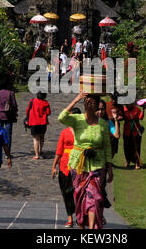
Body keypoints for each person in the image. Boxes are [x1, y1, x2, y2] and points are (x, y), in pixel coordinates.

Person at [58, 92, 113, 229]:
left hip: (97, 164)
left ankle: (92, 226)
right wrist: (76, 99)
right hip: (78, 164)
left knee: (94, 197)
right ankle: (81, 223)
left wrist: (110, 168)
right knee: (80, 196)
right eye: (87, 101)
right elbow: (61, 117)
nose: (89, 104)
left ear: (97, 106)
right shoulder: (77, 119)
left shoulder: (103, 124)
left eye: (93, 102)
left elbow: (107, 147)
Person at [51, 107, 81, 228]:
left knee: (78, 192)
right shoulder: (64, 132)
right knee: (66, 192)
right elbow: (59, 150)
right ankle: (70, 217)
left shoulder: (83, 132)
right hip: (64, 165)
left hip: (80, 164)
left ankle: (80, 216)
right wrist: (54, 166)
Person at [0, 80, 18, 158]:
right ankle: (7, 153)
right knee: (8, 135)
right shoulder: (11, 93)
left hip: (0, 115)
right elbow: (14, 105)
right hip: (9, 116)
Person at [26, 91, 51, 159]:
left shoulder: (32, 101)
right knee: (42, 137)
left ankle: (37, 155)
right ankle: (40, 150)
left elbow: (28, 110)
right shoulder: (46, 103)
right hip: (43, 123)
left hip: (34, 122)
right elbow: (48, 112)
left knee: (36, 139)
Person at [123, 102, 145, 169]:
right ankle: (127, 161)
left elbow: (141, 117)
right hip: (127, 130)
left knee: (136, 147)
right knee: (126, 146)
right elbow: (121, 117)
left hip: (136, 131)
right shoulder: (124, 109)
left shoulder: (137, 109)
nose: (128, 104)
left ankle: (137, 162)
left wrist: (143, 110)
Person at [105, 92, 124, 158]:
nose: (114, 101)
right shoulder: (106, 105)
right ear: (110, 98)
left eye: (115, 99)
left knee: (114, 145)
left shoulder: (120, 106)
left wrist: (119, 117)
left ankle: (110, 160)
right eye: (112, 99)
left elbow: (123, 116)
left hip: (116, 127)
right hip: (107, 127)